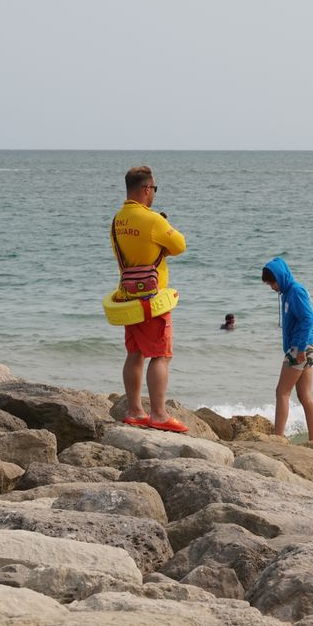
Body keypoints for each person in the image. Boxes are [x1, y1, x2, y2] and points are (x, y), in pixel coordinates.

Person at [111, 165, 188, 432]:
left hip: (129, 298)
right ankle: (158, 413)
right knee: (161, 355)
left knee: (135, 353)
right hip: (153, 301)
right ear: (146, 189)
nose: (153, 193)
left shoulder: (118, 220)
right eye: (153, 189)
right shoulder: (154, 220)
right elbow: (179, 245)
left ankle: (135, 410)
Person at [262, 257, 313, 442]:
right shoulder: (287, 292)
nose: (272, 287)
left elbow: (309, 319)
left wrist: (300, 347)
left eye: (272, 282)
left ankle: (278, 438)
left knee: (282, 392)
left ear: (281, 276)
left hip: (301, 348)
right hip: (307, 347)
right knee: (304, 395)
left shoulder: (295, 291)